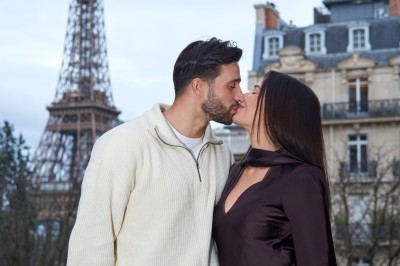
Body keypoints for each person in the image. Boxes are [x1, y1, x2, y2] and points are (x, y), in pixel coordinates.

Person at [67, 37, 244, 266]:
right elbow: (89, 246)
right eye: (232, 86)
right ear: (198, 86)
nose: (240, 95)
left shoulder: (222, 154)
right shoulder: (123, 144)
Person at [213, 70, 337, 266]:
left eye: (255, 92)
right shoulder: (234, 171)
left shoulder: (300, 178)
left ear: (279, 109)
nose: (241, 96)